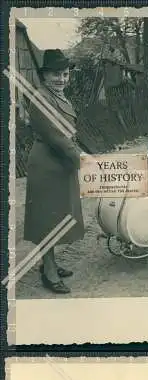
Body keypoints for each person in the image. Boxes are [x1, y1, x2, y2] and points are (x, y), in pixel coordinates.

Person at [24, 49, 84, 294]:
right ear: (45, 75)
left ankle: (51, 263)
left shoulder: (60, 97)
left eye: (65, 74)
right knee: (47, 221)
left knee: (58, 216)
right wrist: (81, 158)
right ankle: (48, 271)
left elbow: (70, 133)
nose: (61, 79)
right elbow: (57, 136)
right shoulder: (40, 98)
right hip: (47, 164)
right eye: (56, 75)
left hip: (61, 164)